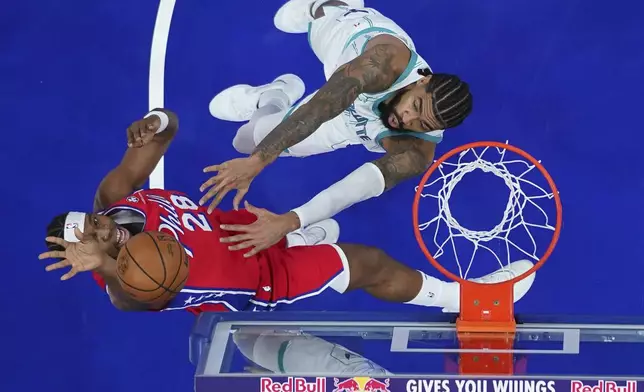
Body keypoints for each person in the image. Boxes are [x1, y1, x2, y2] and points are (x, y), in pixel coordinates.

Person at [38, 110, 533, 314]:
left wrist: (156, 122)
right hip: (260, 279)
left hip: (243, 230)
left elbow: (164, 134)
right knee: (367, 262)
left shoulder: (116, 196)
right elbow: (136, 302)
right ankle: (467, 299)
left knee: (304, 224)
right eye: (94, 243)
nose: (104, 236)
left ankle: (299, 233)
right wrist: (103, 266)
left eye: (96, 226)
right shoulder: (123, 277)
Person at [200, 0, 473, 255]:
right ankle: (336, 4)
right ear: (422, 81)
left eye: (421, 123)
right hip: (345, 44)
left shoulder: (417, 150)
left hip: (350, 124)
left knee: (245, 140)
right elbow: (322, 106)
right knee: (306, 16)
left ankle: (273, 96)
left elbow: (356, 188)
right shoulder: (384, 62)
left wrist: (291, 221)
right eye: (414, 106)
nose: (406, 119)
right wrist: (258, 163)